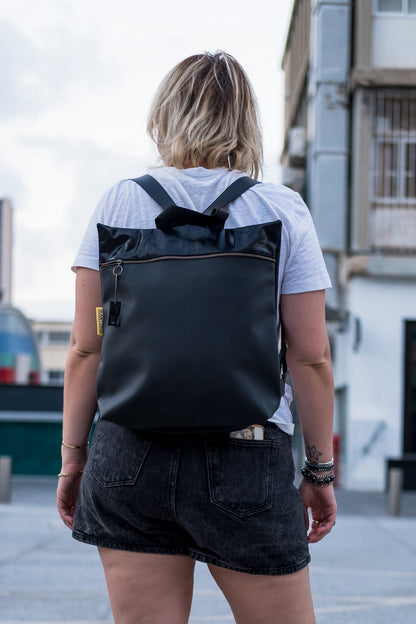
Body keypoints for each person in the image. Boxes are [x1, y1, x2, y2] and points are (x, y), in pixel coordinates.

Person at [57, 51, 336, 624]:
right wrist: (319, 472)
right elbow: (311, 358)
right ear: (245, 121)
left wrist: (73, 460)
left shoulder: (119, 201)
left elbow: (87, 347)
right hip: (246, 452)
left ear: (166, 113)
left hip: (128, 452)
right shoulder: (280, 208)